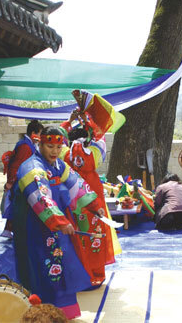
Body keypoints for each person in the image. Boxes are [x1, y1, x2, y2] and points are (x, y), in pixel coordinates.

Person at [12, 126, 105, 320]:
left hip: (55, 226)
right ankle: (41, 315)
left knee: (61, 264)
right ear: (40, 144)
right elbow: (41, 196)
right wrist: (59, 221)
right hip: (34, 226)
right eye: (49, 146)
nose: (54, 151)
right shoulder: (32, 167)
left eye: (58, 147)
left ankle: (61, 313)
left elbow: (76, 184)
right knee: (40, 267)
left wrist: (94, 206)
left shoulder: (58, 165)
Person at [60, 90, 121, 286]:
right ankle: (96, 274)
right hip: (93, 195)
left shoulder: (65, 155)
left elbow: (58, 138)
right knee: (95, 234)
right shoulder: (95, 153)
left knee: (78, 235)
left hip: (73, 196)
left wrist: (69, 122)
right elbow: (99, 136)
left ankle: (79, 275)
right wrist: (89, 120)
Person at [2, 119, 44, 237]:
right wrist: (10, 182)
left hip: (23, 180)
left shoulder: (28, 144)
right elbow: (16, 166)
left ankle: (10, 230)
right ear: (33, 134)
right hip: (20, 181)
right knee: (20, 206)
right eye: (40, 134)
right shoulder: (25, 146)